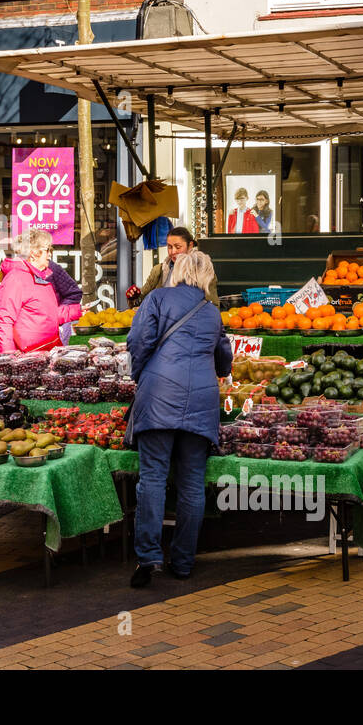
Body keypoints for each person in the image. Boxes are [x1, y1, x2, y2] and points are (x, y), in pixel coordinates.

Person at [125, 250, 231, 587]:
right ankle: (183, 562)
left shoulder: (157, 298)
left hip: (158, 398)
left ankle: (148, 558)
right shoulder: (212, 313)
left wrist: (145, 376)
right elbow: (225, 362)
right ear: (207, 277)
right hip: (201, 401)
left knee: (153, 479)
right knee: (191, 484)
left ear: (179, 270)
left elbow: (137, 342)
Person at [0, 229, 84, 353]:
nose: (50, 254)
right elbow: (4, 320)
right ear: (34, 253)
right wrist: (8, 356)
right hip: (27, 357)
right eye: (47, 250)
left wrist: (76, 311)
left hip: (46, 352)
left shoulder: (40, 277)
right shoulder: (16, 278)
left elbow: (47, 315)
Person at [134, 226, 217, 306]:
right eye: (169, 247)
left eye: (178, 247)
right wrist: (134, 295)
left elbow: (213, 305)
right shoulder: (159, 270)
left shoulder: (203, 272)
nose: (173, 251)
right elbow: (141, 299)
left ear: (190, 246)